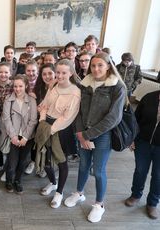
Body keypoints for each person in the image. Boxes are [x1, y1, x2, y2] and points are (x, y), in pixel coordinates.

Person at [64, 52, 126, 223]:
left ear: (108, 66)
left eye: (100, 65)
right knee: (83, 165)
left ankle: (99, 204)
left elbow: (114, 118)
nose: (96, 69)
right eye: (93, 65)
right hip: (82, 132)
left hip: (102, 136)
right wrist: (79, 133)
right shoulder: (86, 84)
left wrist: (86, 135)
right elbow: (79, 111)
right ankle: (79, 193)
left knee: (98, 171)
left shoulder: (117, 87)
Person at [36, 59, 81, 208]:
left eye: (64, 73)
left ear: (71, 73)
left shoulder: (75, 92)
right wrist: (42, 122)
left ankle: (59, 192)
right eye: (58, 72)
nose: (60, 76)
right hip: (45, 124)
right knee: (46, 161)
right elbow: (44, 105)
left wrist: (51, 129)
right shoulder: (53, 86)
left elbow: (68, 117)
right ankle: (53, 183)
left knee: (61, 161)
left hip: (61, 130)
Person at [124, 90, 160, 219]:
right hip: (143, 142)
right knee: (140, 170)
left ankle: (153, 203)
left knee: (158, 175)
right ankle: (135, 195)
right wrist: (131, 138)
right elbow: (135, 119)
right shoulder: (149, 97)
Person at [1, 74, 37, 194]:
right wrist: (13, 136)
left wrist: (25, 137)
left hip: (27, 137)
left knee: (22, 161)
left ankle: (18, 180)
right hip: (14, 137)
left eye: (20, 86)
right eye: (15, 86)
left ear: (26, 86)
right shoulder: (8, 100)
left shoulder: (31, 100)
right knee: (12, 162)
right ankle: (9, 180)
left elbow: (33, 120)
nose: (17, 89)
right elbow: (6, 119)